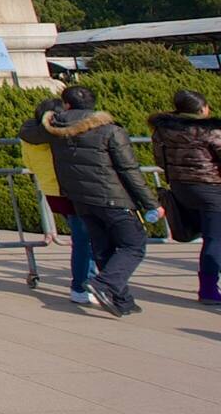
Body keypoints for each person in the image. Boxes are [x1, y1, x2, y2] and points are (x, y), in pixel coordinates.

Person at [38, 86, 162, 317]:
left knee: (103, 247)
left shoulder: (54, 130)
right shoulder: (110, 130)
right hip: (112, 196)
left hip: (80, 199)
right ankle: (104, 284)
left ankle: (121, 298)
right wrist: (150, 203)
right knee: (133, 245)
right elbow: (128, 170)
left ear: (66, 105)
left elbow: (29, 131)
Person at [19, 98, 98, 305]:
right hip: (74, 188)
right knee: (87, 238)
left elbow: (28, 163)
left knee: (84, 236)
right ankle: (84, 284)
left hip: (52, 191)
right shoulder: (61, 133)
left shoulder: (28, 136)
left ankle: (89, 280)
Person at [149, 90, 221, 305]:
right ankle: (208, 289)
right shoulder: (211, 130)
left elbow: (160, 160)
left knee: (212, 237)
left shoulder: (163, 131)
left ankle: (208, 287)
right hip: (212, 189)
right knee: (215, 239)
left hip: (182, 187)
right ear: (202, 108)